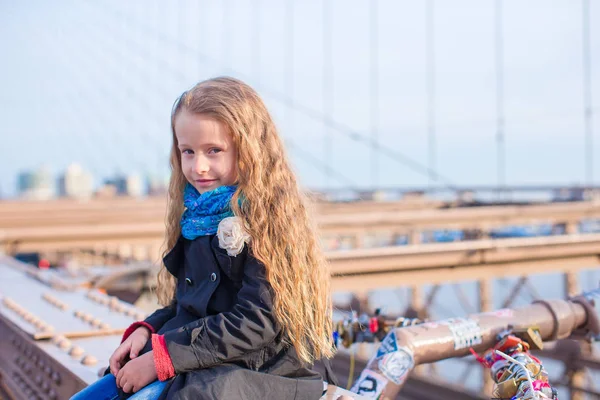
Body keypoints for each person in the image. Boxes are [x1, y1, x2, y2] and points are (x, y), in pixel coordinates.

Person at [71, 77, 344, 400]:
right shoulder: (197, 218)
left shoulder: (270, 222)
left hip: (269, 372)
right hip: (214, 361)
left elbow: (258, 320)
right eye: (188, 151)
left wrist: (163, 358)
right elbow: (190, 304)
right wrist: (148, 330)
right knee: (101, 393)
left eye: (213, 151)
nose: (198, 166)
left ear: (250, 150)